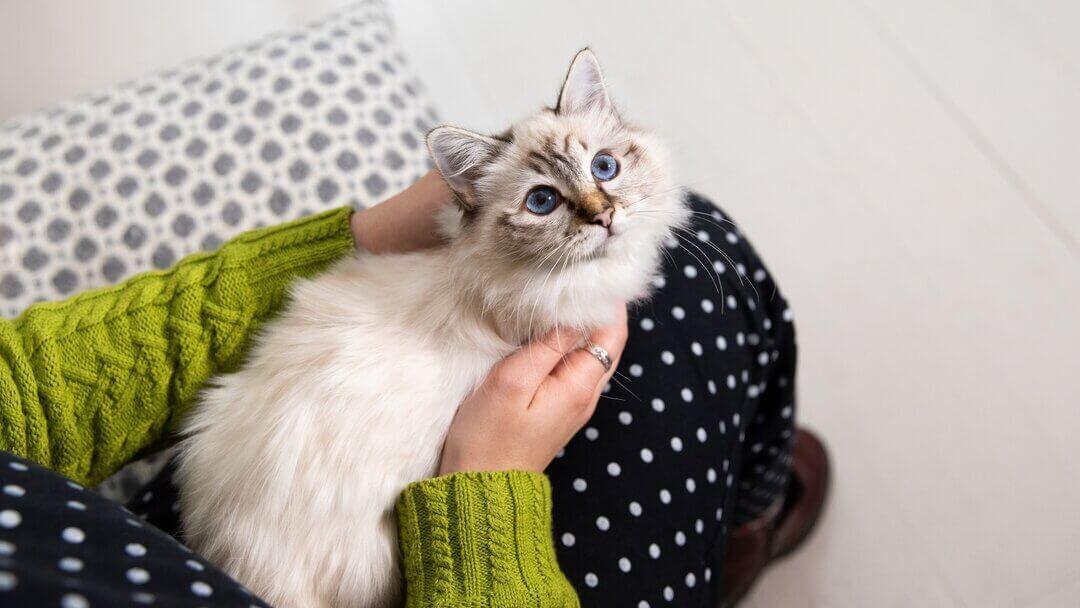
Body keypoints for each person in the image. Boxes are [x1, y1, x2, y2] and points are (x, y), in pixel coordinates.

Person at [0, 171, 828, 607]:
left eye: (605, 169)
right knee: (693, 266)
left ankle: (742, 516)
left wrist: (352, 239)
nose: (599, 203)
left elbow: (22, 396)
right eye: (550, 198)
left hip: (177, 539)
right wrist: (486, 494)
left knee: (684, 248)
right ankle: (742, 529)